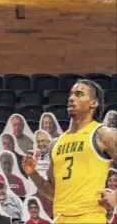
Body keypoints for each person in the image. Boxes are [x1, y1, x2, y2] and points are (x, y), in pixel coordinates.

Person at [23, 80, 117, 224]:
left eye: (79, 94)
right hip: (60, 216)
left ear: (93, 103)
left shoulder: (103, 134)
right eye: (71, 94)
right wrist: (32, 172)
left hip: (90, 216)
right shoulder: (56, 143)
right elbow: (53, 192)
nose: (71, 98)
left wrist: (115, 196)